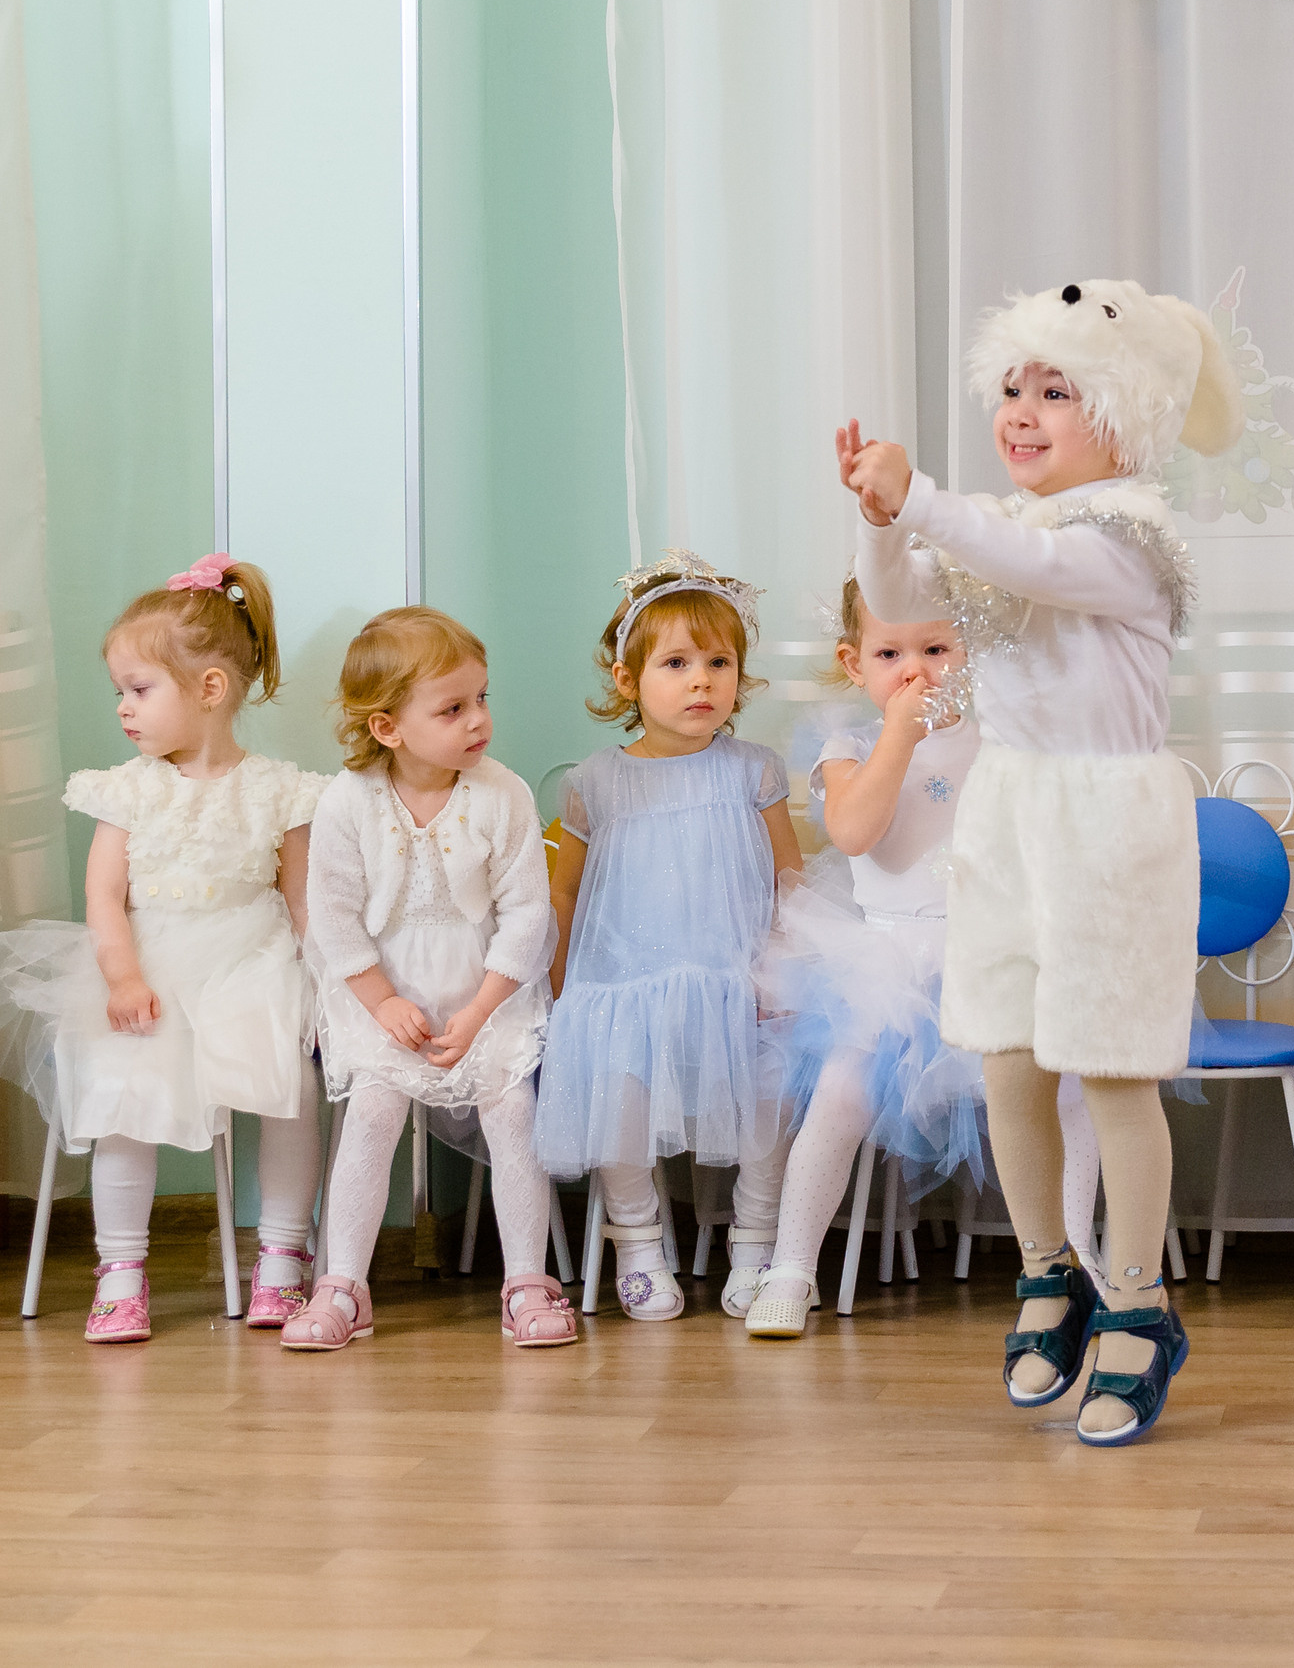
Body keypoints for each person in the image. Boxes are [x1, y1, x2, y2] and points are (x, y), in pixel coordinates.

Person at [836, 276, 1240, 1443]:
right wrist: (882, 517)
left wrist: (920, 496)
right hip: (1011, 810)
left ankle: (1139, 1303)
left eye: (1056, 391)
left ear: (1126, 413)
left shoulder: (1130, 536)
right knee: (1006, 1064)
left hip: (1109, 825)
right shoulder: (1002, 530)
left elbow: (1036, 569)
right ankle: (1047, 1269)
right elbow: (899, 593)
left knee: (1110, 1072)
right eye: (1012, 387)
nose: (1021, 410)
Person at [0, 556, 325, 1341]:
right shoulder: (129, 790)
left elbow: (302, 902)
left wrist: (325, 982)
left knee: (291, 1078)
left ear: (209, 688)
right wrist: (122, 977)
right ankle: (120, 1267)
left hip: (253, 962)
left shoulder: (280, 790)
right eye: (120, 690)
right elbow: (103, 898)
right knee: (125, 1085)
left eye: (139, 689)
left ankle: (284, 1253)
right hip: (150, 964)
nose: (123, 707)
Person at [285, 607, 574, 1351]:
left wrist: (480, 1010)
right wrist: (380, 1001)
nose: (478, 719)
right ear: (388, 727)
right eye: (452, 708)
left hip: (486, 990)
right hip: (383, 991)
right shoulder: (348, 800)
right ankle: (342, 1285)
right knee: (373, 1113)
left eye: (482, 697)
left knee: (512, 1112)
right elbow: (333, 916)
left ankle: (526, 1279)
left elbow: (527, 914)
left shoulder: (502, 793)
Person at [540, 551, 798, 1322]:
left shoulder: (753, 771)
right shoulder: (595, 780)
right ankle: (638, 1241)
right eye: (677, 663)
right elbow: (565, 887)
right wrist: (559, 978)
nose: (701, 681)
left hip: (734, 975)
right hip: (623, 981)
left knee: (770, 1089)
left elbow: (788, 875)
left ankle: (757, 1239)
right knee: (618, 1100)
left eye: (720, 663)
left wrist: (781, 963)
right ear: (628, 680)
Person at [741, 574, 990, 1337]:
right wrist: (900, 736)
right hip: (884, 959)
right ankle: (790, 1268)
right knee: (839, 1096)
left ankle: (1079, 1255)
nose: (915, 670)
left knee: (1065, 1095)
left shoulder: (999, 735)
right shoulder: (845, 746)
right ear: (855, 663)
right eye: (889, 653)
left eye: (936, 648)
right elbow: (854, 832)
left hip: (989, 950)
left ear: (971, 648)